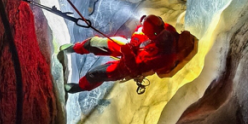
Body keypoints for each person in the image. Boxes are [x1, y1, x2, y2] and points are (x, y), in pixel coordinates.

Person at [58, 14, 198, 94]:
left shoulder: (166, 58)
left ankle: (80, 86)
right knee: (95, 43)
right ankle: (74, 48)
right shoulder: (167, 29)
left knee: (95, 74)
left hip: (129, 64)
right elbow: (141, 30)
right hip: (132, 47)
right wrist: (136, 40)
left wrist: (128, 52)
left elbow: (136, 68)